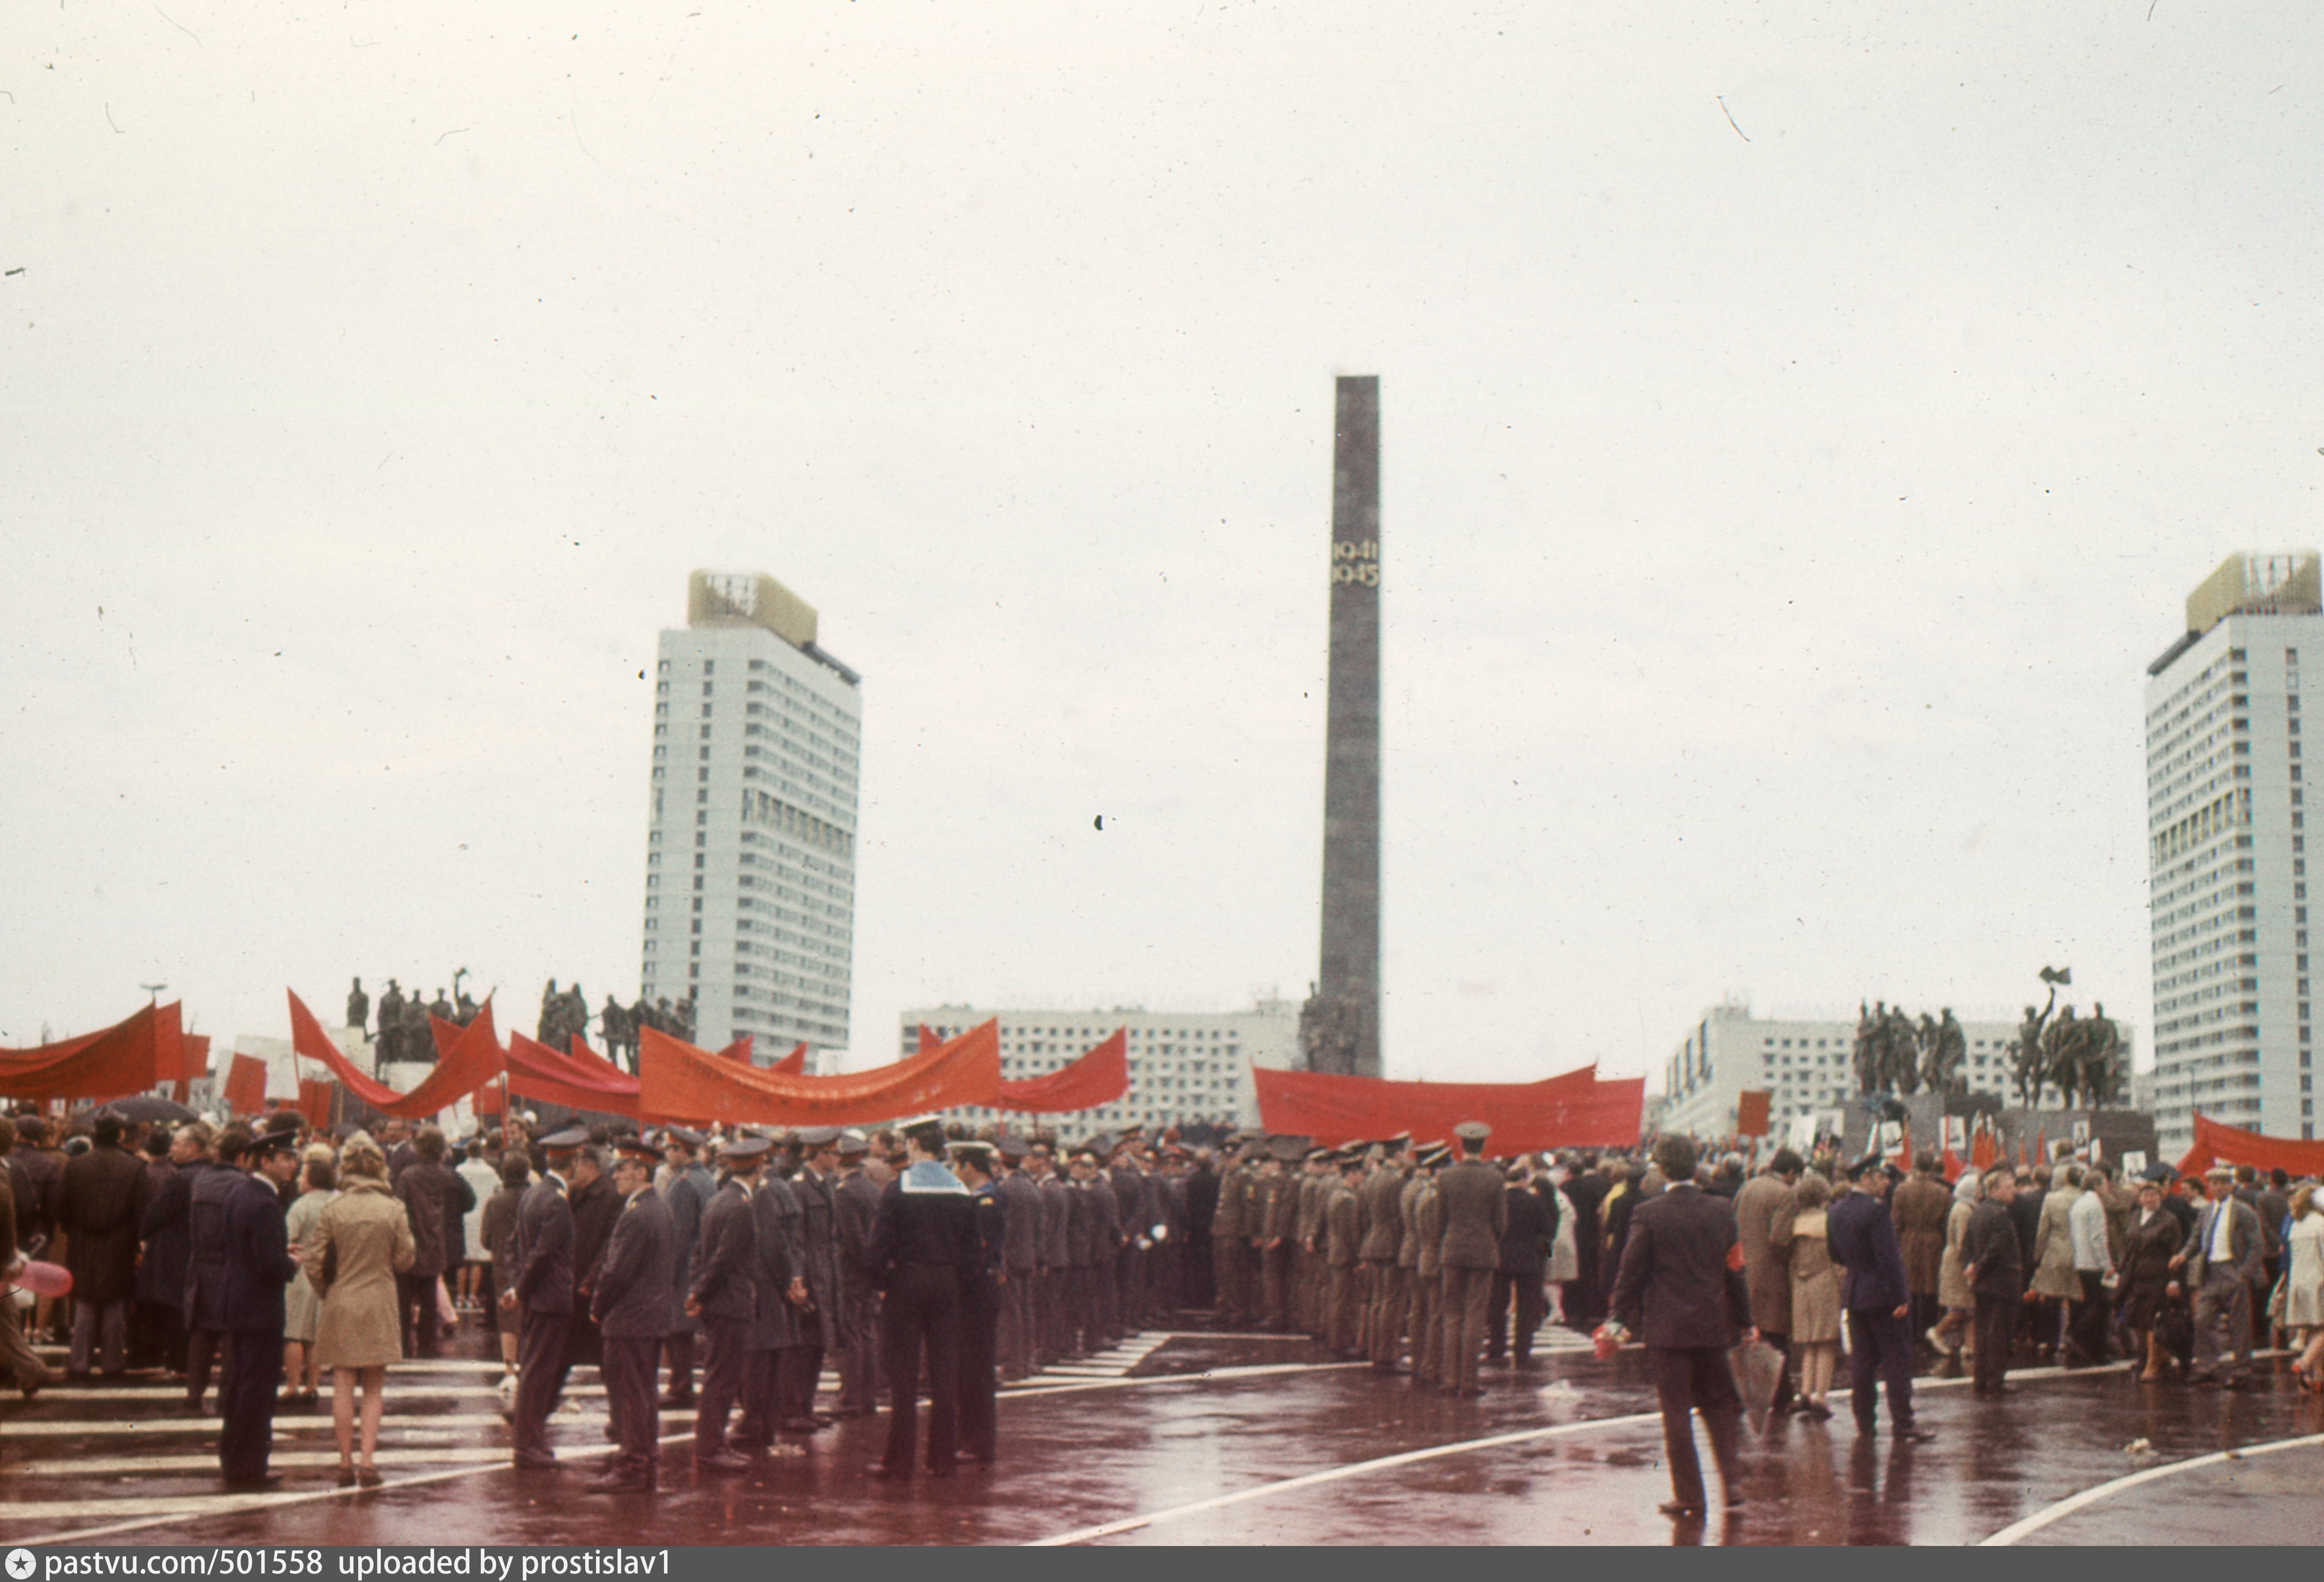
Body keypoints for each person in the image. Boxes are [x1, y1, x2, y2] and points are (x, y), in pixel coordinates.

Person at [1605, 1134, 1753, 1523]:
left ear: (1663, 1168)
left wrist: (1618, 1318)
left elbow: (1631, 1272)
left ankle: (1689, 1495)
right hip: (1712, 1323)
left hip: (1667, 1328)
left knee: (1676, 1411)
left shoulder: (1649, 1213)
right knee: (1720, 1405)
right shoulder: (1722, 1210)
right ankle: (1733, 1484)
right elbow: (1736, 1270)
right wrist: (1747, 1320)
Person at [865, 1116, 978, 1479]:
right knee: (945, 1375)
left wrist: (883, 1282)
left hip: (907, 1282)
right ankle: (942, 1459)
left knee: (904, 1376)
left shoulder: (898, 1190)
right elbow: (973, 1255)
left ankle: (899, 1461)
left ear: (913, 1145)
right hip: (947, 1285)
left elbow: (876, 1250)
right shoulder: (961, 1192)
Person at [307, 1132, 414, 1488]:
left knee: (342, 1384)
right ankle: (368, 1461)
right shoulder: (394, 1208)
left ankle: (344, 1461)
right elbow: (405, 1258)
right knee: (373, 1388)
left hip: (341, 1299)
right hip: (380, 1298)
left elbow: (314, 1261)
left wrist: (328, 1291)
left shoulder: (333, 1209)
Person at [589, 1136, 676, 1492]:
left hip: (629, 1320)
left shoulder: (637, 1214)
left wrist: (598, 1306)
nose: (615, 1176)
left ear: (641, 1171)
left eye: (621, 1169)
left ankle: (632, 1467)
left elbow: (616, 1272)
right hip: (650, 1318)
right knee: (643, 1395)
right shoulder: (660, 1208)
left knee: (629, 1397)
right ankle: (644, 1461)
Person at [217, 1132, 303, 1489]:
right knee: (257, 1388)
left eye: (292, 1157)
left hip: (238, 1300)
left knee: (241, 1383)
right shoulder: (266, 1202)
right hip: (260, 1306)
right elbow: (270, 1264)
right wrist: (291, 1261)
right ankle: (250, 1465)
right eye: (284, 1157)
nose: (292, 1164)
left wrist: (281, 1251)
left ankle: (235, 1458)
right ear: (265, 1161)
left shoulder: (240, 1192)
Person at [1826, 1156, 1932, 1443]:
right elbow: (1889, 1258)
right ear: (1866, 1178)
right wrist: (1900, 1296)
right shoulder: (1876, 1212)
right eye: (1881, 1177)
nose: (1887, 1182)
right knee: (1896, 1359)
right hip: (1883, 1295)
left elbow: (1835, 1254)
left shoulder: (1836, 1210)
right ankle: (1903, 1421)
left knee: (1862, 1363)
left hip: (1854, 1291)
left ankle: (1864, 1421)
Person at [502, 1126, 585, 1467]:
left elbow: (514, 1247)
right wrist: (521, 1290)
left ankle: (530, 1441)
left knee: (534, 1371)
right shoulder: (557, 1202)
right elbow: (545, 1253)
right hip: (550, 1299)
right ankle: (528, 1444)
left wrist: (515, 1287)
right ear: (575, 1161)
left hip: (537, 1297)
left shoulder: (533, 1194)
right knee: (539, 1374)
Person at [57, 1109, 150, 1378]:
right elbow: (141, 1211)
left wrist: (73, 1229)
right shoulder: (135, 1167)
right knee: (115, 1304)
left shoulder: (75, 1166)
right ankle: (112, 1361)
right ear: (121, 1134)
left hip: (83, 1240)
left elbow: (61, 1207)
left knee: (84, 1302)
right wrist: (136, 1243)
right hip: (120, 1241)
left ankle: (79, 1362)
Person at [689, 1133, 763, 1471]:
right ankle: (710, 1447)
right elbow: (724, 1259)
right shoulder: (742, 1208)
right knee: (723, 1378)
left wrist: (697, 1291)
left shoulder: (718, 1201)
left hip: (718, 1303)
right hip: (731, 1303)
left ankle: (712, 1443)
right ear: (759, 1167)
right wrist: (700, 1292)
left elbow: (701, 1254)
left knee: (718, 1375)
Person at [2168, 1166, 2263, 1388]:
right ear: (2209, 1187)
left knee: (2238, 1324)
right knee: (2202, 1319)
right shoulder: (2207, 1211)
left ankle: (2241, 1370)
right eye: (2214, 1183)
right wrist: (2183, 1255)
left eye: (2222, 1183)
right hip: (2210, 1271)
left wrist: (2243, 1273)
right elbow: (2196, 1240)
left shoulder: (2243, 1211)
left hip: (2232, 1269)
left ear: (2230, 1185)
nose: (2218, 1187)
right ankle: (2208, 1366)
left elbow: (2256, 1244)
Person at [1435, 1121, 1507, 1398]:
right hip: (1482, 1250)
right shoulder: (1494, 1178)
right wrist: (1488, 1240)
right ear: (1483, 1145)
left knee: (1452, 1315)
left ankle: (1450, 1378)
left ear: (1461, 1145)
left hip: (1452, 1249)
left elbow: (1439, 1218)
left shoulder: (1446, 1177)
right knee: (1475, 1316)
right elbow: (1501, 1223)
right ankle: (1469, 1381)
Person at [393, 1125, 472, 1359]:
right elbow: (470, 1201)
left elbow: (399, 1206)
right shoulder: (449, 1176)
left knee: (404, 1301)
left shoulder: (408, 1176)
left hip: (411, 1242)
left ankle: (404, 1346)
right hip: (438, 1244)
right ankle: (428, 1345)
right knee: (430, 1300)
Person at [950, 1139, 1005, 1466]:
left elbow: (978, 1251)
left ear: (969, 1167)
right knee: (969, 1367)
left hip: (977, 1290)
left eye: (957, 1165)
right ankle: (971, 1437)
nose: (955, 1172)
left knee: (976, 1368)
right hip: (978, 1287)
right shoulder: (980, 1199)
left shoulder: (986, 1202)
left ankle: (977, 1441)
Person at [1732, 1149, 1801, 1411]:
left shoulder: (1748, 1186)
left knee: (1750, 1333)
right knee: (1776, 1335)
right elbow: (1780, 1238)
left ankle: (1744, 1393)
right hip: (1772, 1271)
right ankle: (1782, 1396)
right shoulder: (1784, 1194)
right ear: (1791, 1172)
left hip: (1744, 1266)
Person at [655, 1128, 713, 1409]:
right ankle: (682, 1384)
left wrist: (665, 1271)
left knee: (678, 1328)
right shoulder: (705, 1178)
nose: (667, 1154)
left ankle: (680, 1387)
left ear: (681, 1151)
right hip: (701, 1261)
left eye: (670, 1149)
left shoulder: (684, 1184)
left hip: (684, 1265)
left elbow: (676, 1235)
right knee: (687, 1329)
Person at [1777, 1169, 1841, 1418]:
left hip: (1801, 1283)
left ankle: (1804, 1391)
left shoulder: (1795, 1224)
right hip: (1825, 1281)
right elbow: (1836, 1259)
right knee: (1826, 1341)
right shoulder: (1828, 1222)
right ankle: (1820, 1396)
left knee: (1808, 1344)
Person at [281, 1146, 337, 1410]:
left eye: (303, 1176)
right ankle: (313, 1385)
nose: (298, 1179)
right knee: (315, 1335)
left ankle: (293, 1384)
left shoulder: (301, 1206)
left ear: (312, 1180)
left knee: (294, 1333)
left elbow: (287, 1238)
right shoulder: (339, 1202)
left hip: (301, 1272)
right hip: (327, 1273)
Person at [831, 1131, 883, 1416]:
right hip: (870, 1268)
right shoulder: (872, 1189)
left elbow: (851, 1238)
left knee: (852, 1333)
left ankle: (852, 1396)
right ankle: (868, 1395)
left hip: (852, 1270)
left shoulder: (844, 1192)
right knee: (867, 1332)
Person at [1960, 1167, 2022, 1398]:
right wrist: (1979, 1267)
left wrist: (1971, 1266)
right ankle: (1995, 1381)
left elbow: (1966, 1245)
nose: (2013, 1191)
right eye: (2008, 1187)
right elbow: (1996, 1248)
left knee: (1983, 1331)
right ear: (1994, 1190)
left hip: (1983, 1284)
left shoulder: (1977, 1212)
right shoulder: (2001, 1215)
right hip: (2001, 1282)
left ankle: (1980, 1378)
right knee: (1998, 1334)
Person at [2120, 1176, 2185, 1382]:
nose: (2150, 1199)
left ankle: (2152, 1365)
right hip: (2135, 1277)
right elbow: (2128, 1245)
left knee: (2152, 1322)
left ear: (2161, 1197)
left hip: (2158, 1277)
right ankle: (2148, 1358)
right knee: (2136, 1319)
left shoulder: (2169, 1220)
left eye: (2154, 1195)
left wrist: (2174, 1280)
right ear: (2140, 1198)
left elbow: (2176, 1250)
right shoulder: (2135, 1216)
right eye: (2146, 1195)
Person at [1488, 1160, 1551, 1366]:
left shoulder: (1499, 1200)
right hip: (1529, 1259)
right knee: (1526, 1307)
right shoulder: (1535, 1202)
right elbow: (1547, 1231)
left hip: (1501, 1258)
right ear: (1523, 1180)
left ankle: (1497, 1346)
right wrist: (1544, 1255)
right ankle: (1523, 1350)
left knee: (1498, 1305)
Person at [480, 1153, 532, 1394]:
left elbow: (485, 1239)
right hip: (530, 1264)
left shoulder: (495, 1202)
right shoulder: (534, 1198)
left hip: (502, 1264)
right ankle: (529, 1367)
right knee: (530, 1318)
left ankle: (509, 1371)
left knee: (507, 1322)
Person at [1890, 1152, 1951, 1355]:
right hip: (1934, 1241)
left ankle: (1911, 1333)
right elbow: (1946, 1223)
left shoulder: (1902, 1190)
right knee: (1930, 1289)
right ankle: (1929, 1332)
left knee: (1911, 1289)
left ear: (1915, 1166)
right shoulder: (1942, 1192)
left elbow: (1896, 1223)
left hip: (1909, 1241)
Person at [2027, 1162, 2082, 1363]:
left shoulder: (2052, 1199)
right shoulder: (2085, 1198)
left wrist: (2037, 1256)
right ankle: (2072, 1338)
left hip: (2056, 1251)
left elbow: (2043, 1230)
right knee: (2076, 1298)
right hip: (2079, 1252)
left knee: (2052, 1298)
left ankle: (2050, 1339)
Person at [2284, 1184, 2324, 1390]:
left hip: (2298, 1282)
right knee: (2323, 1329)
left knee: (2314, 1329)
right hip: (2318, 1281)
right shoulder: (2321, 1223)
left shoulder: (2297, 1224)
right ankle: (2305, 1362)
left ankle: (2318, 1377)